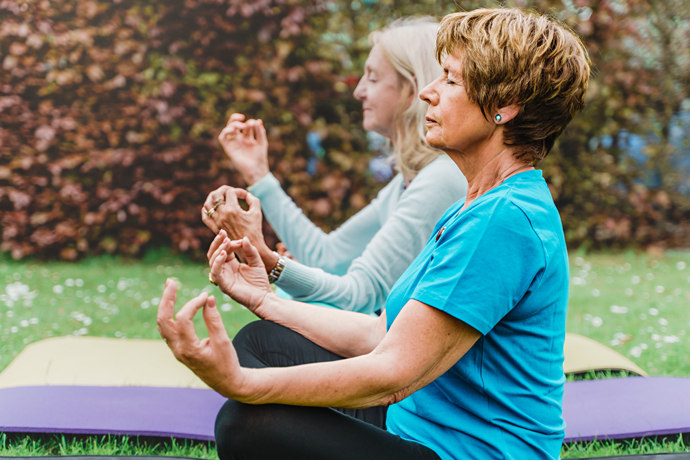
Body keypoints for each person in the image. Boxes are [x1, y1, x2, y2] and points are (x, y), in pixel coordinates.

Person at [158, 8, 591, 460]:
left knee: (248, 422)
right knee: (262, 341)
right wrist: (266, 300)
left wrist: (243, 384)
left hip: (468, 453)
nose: (428, 92)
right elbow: (382, 332)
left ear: (505, 107)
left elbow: (392, 374)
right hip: (416, 424)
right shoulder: (477, 202)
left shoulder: (502, 219)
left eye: (450, 80)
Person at [200, 17, 467, 314]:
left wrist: (267, 260)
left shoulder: (440, 179)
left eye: (374, 78)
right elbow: (326, 257)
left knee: (270, 335)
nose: (359, 91)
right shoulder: (408, 183)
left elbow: (361, 295)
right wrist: (258, 174)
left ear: (413, 89)